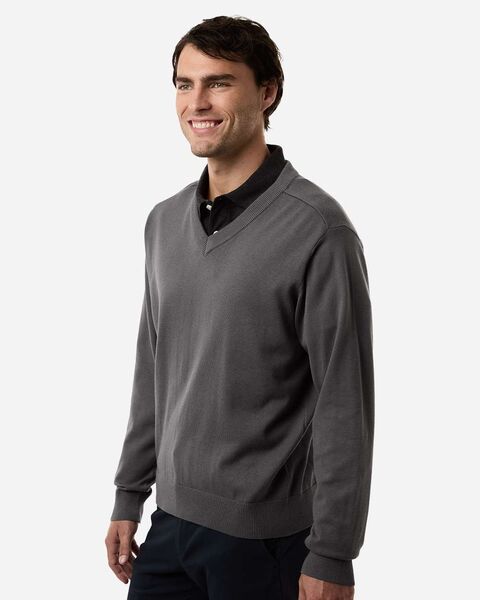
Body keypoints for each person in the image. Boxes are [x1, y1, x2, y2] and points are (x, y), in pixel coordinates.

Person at [105, 15, 375, 600]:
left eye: (219, 83)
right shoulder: (162, 222)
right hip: (169, 530)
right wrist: (130, 493)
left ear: (267, 92)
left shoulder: (319, 230)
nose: (197, 102)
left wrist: (333, 553)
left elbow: (343, 403)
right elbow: (153, 369)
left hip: (266, 542)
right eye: (184, 84)